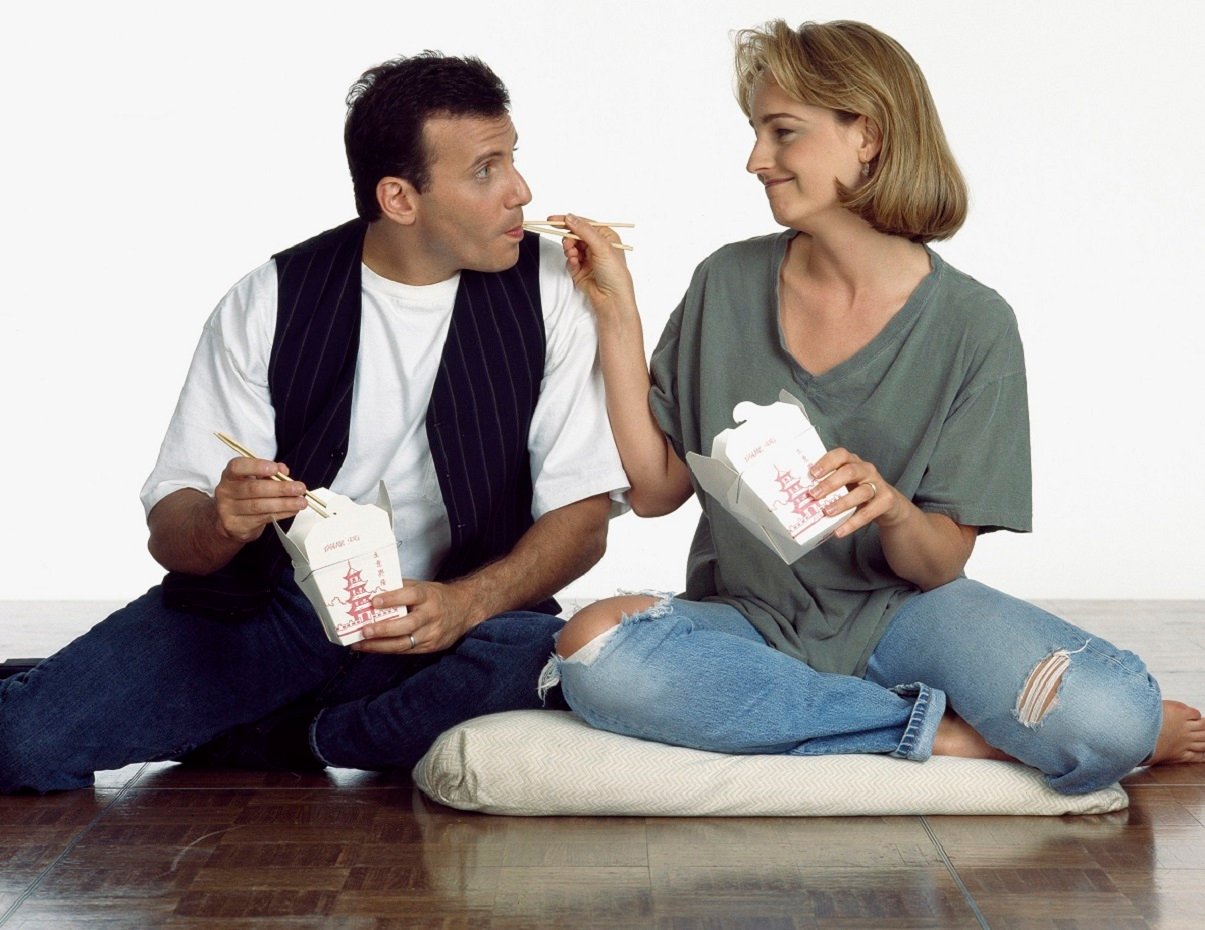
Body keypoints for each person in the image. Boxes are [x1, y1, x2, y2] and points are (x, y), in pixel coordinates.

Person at [540, 19, 1205, 794]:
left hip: (908, 614)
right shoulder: (724, 282)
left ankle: (817, 715)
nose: (755, 160)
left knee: (1113, 720)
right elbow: (656, 492)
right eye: (756, 132)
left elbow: (941, 562)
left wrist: (890, 508)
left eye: (782, 132)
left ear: (868, 135)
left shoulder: (972, 324)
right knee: (590, 649)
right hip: (748, 621)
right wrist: (616, 312)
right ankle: (933, 733)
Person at [0, 52, 628, 794]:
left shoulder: (554, 286)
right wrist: (222, 519)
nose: (520, 191)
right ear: (399, 197)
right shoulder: (271, 295)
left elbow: (583, 517)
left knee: (543, 659)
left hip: (455, 618)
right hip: (273, 614)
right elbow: (174, 533)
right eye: (486, 170)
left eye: (512, 158)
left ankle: (291, 733)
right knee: (24, 744)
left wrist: (466, 604)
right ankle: (276, 712)